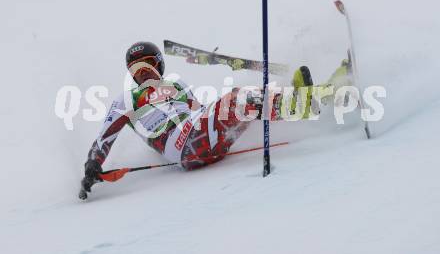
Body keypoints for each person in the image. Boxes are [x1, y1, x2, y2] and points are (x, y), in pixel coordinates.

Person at [80, 41, 349, 199]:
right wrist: (93, 165)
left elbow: (200, 113)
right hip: (184, 147)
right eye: (136, 70)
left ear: (159, 65)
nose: (143, 72)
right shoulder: (125, 100)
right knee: (237, 101)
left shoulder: (175, 84)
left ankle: (326, 95)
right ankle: (302, 104)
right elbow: (104, 138)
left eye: (148, 64)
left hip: (200, 136)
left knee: (247, 103)